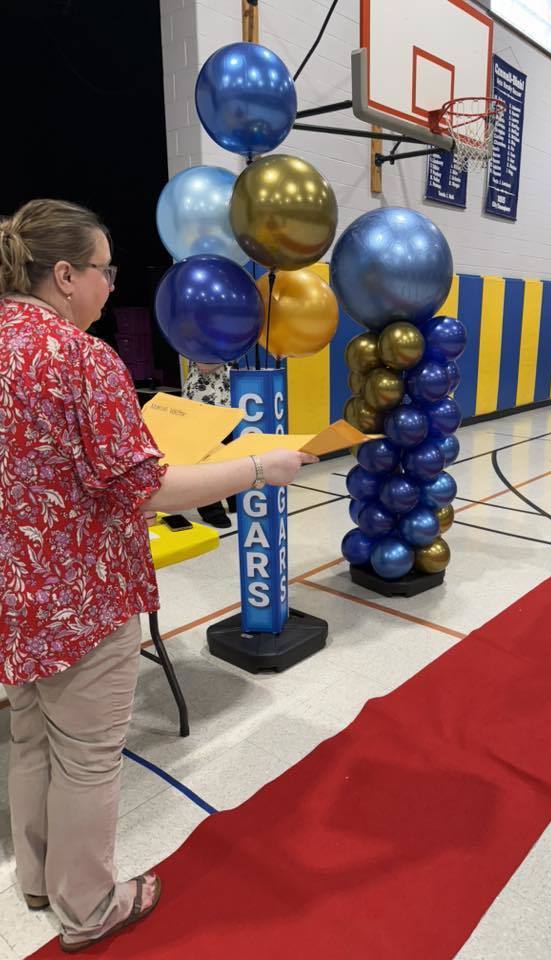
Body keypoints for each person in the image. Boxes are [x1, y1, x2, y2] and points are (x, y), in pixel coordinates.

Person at [0, 199, 315, 952]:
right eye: (104, 270)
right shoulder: (81, 358)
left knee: (29, 736)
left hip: (15, 595)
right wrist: (258, 467)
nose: (112, 286)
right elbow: (147, 489)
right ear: (65, 274)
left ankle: (37, 880)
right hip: (84, 597)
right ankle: (88, 908)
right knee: (86, 759)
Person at [182, 360, 235, 528]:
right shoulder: (201, 342)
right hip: (203, 401)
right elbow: (204, 365)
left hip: (226, 400)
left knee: (229, 455)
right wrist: (231, 351)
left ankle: (234, 498)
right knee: (206, 459)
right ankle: (211, 508)